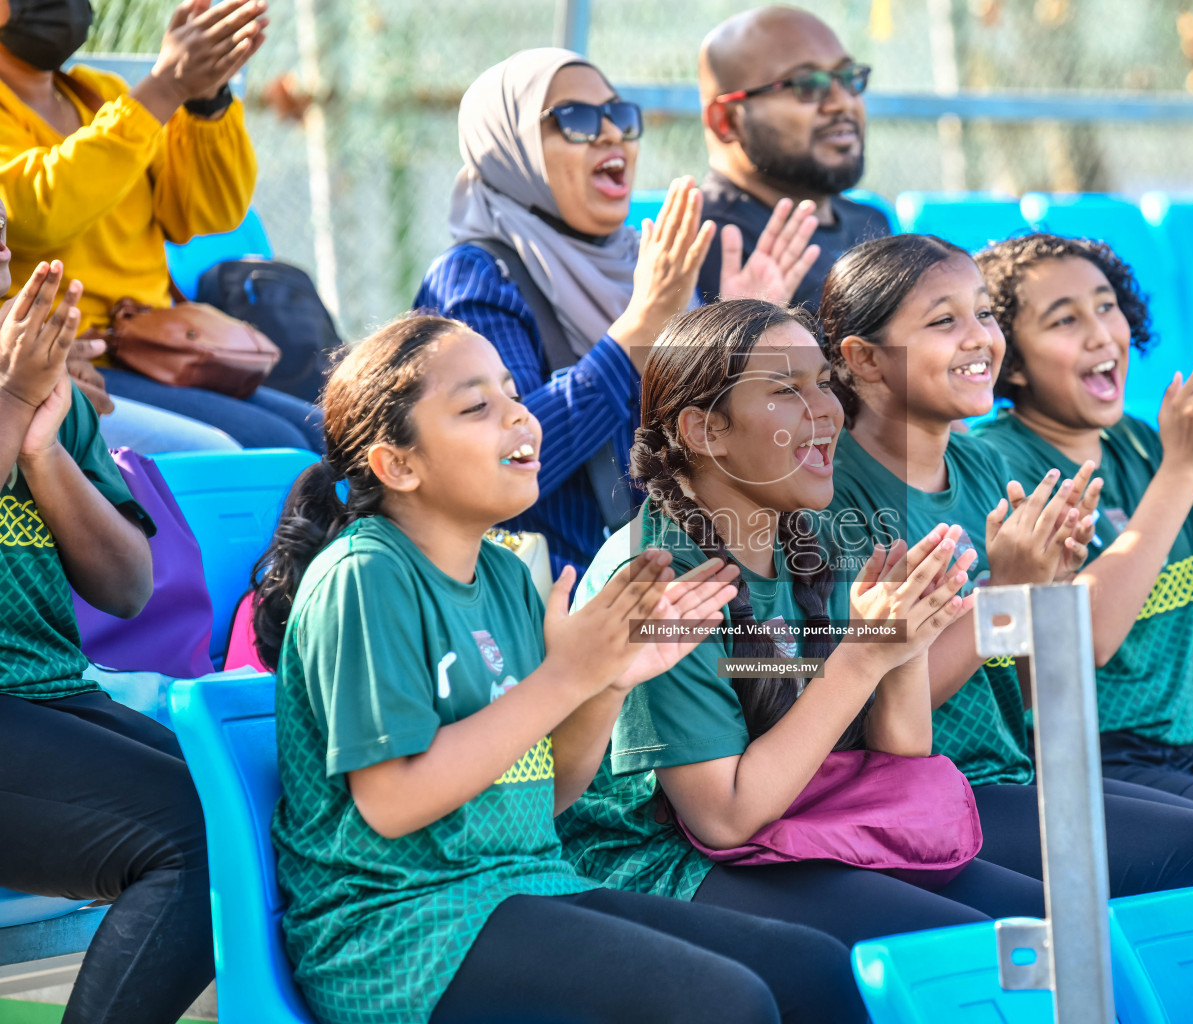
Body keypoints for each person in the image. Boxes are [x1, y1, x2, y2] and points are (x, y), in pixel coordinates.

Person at [253, 314, 864, 1024]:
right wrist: (566, 677)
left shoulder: (508, 575)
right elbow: (391, 803)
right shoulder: (366, 576)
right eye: (477, 406)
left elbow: (548, 795)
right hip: (402, 927)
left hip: (525, 885)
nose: (520, 418)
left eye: (515, 395)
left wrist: (609, 682)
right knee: (722, 1004)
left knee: (813, 969)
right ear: (399, 465)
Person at [561, 298, 1063, 944]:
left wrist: (899, 646)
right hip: (663, 861)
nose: (826, 412)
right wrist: (859, 657)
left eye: (823, 383)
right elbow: (723, 817)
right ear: (705, 431)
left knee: (1045, 924)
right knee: (961, 949)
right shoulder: (658, 576)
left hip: (807, 820)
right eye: (785, 391)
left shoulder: (827, 535)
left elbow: (900, 758)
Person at [820, 233, 1193, 889]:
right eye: (944, 321)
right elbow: (875, 706)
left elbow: (1029, 687)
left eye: (983, 313)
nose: (978, 337)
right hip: (914, 791)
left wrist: (1041, 599)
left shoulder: (986, 467)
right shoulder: (841, 495)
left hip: (1010, 771)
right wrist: (1004, 594)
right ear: (864, 359)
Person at [970, 233, 1193, 869]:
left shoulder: (1143, 445)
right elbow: (1085, 640)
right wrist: (1184, 469)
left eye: (1106, 307)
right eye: (1064, 320)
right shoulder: (997, 461)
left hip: (1184, 758)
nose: (1101, 334)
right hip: (1089, 760)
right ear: (1013, 362)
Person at [416, 48, 818, 579]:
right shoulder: (478, 277)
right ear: (508, 147)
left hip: (690, 569)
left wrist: (740, 343)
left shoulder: (642, 261)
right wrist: (636, 333)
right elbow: (495, 462)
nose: (611, 135)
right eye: (577, 120)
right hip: (568, 587)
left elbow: (705, 446)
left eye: (620, 116)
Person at [0, 258, 215, 1023]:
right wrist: (15, 396)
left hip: (54, 690)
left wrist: (44, 449)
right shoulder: (23, 379)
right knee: (191, 838)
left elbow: (125, 589)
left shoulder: (39, 378)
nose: (0, 247)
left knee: (247, 799)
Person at [0, 0, 322, 451]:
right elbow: (35, 214)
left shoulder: (102, 94)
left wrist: (206, 99)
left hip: (156, 351)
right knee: (268, 446)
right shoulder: (132, 104)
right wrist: (164, 87)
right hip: (71, 362)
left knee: (327, 435)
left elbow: (208, 214)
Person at [695, 5, 891, 311]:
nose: (842, 103)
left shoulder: (869, 221)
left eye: (848, 78)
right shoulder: (703, 245)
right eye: (807, 85)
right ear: (728, 121)